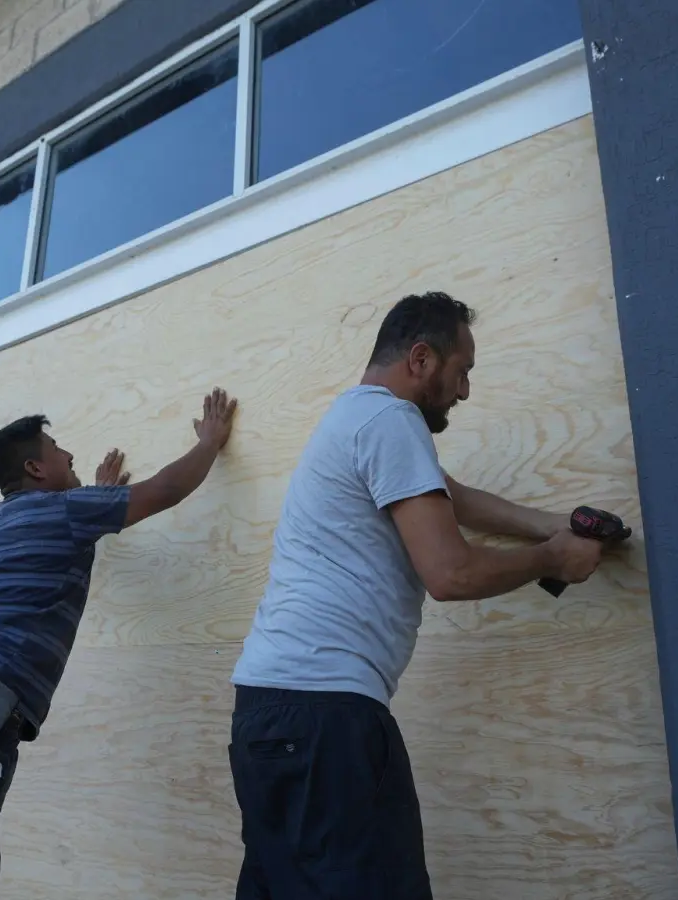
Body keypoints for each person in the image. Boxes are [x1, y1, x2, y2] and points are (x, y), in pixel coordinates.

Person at [228, 291, 625, 899]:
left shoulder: (354, 420)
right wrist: (551, 560)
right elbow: (450, 574)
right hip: (325, 716)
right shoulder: (391, 420)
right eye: (461, 371)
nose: (464, 391)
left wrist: (558, 525)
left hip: (268, 714)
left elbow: (451, 496)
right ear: (420, 359)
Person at [0, 388, 239, 900]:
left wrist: (98, 498)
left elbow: (55, 548)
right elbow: (167, 489)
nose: (69, 456)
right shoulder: (66, 513)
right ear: (36, 468)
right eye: (57, 449)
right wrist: (209, 442)